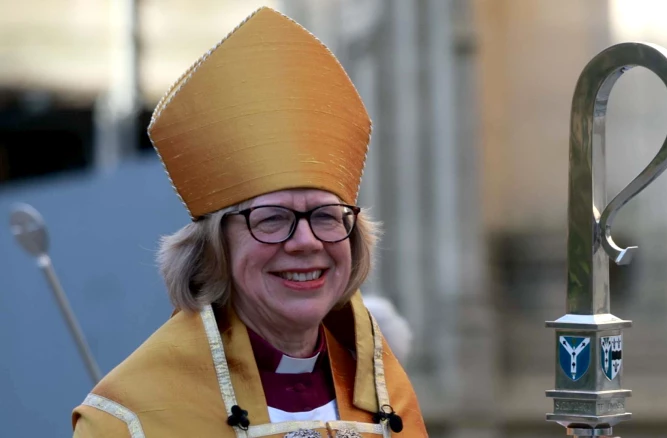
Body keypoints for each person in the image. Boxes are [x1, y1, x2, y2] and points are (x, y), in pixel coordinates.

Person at [71, 6, 428, 437]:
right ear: (213, 247)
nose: (305, 241)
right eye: (272, 219)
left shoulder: (389, 400)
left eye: (325, 216)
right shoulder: (131, 420)